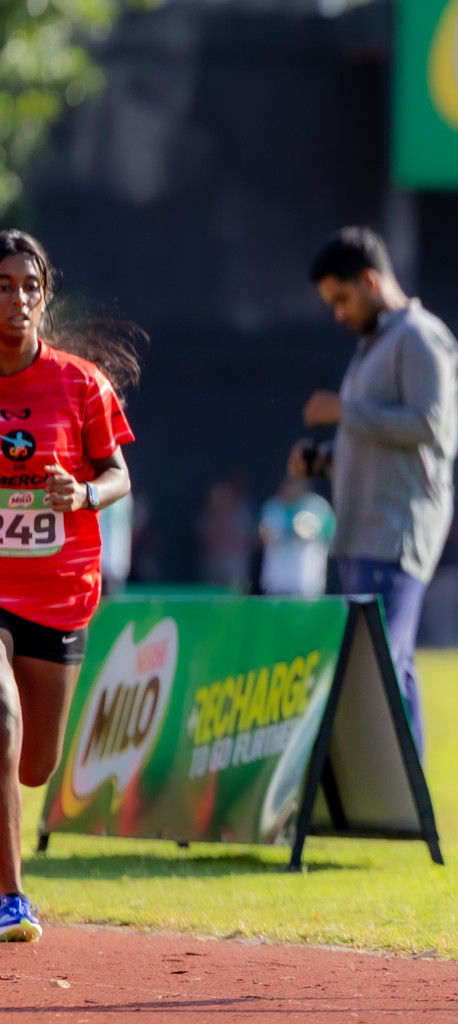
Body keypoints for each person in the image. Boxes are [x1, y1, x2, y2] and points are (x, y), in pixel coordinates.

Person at [0, 229, 138, 941]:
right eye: (2, 285)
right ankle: (10, 897)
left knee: (31, 765)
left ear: (45, 297)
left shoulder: (80, 383)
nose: (16, 298)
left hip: (56, 591)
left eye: (29, 285)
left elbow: (119, 476)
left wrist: (78, 495)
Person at [288, 227, 458, 755]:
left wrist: (344, 411)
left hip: (398, 531)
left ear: (369, 279)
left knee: (385, 664)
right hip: (362, 531)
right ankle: (398, 804)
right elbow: (377, 444)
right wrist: (324, 459)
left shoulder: (420, 337)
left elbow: (429, 426)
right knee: (383, 667)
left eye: (341, 299)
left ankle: (408, 806)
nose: (338, 313)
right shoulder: (376, 343)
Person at [258, 477, 336, 598]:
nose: (291, 487)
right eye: (288, 482)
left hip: (307, 586)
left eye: (295, 482)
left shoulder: (319, 508)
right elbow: (260, 537)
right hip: (275, 585)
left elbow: (331, 539)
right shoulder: (272, 507)